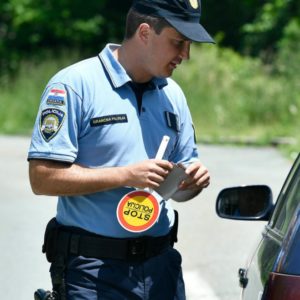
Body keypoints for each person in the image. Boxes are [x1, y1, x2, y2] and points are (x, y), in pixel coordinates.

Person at [28, 0, 213, 299]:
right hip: (93, 272)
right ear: (144, 32)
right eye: (178, 42)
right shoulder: (74, 85)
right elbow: (42, 178)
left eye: (189, 45)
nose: (185, 55)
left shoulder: (174, 94)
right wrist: (125, 175)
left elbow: (178, 190)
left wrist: (190, 183)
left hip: (160, 268)